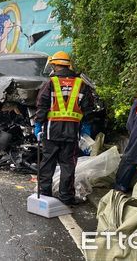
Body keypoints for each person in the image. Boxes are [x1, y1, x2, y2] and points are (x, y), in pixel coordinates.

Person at [34, 51, 94, 205]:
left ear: (55, 65)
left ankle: (45, 195)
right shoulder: (81, 84)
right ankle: (66, 197)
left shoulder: (50, 83)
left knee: (47, 164)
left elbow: (42, 106)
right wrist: (85, 128)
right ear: (68, 65)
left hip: (51, 132)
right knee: (68, 166)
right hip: (72, 133)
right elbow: (88, 109)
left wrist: (38, 124)